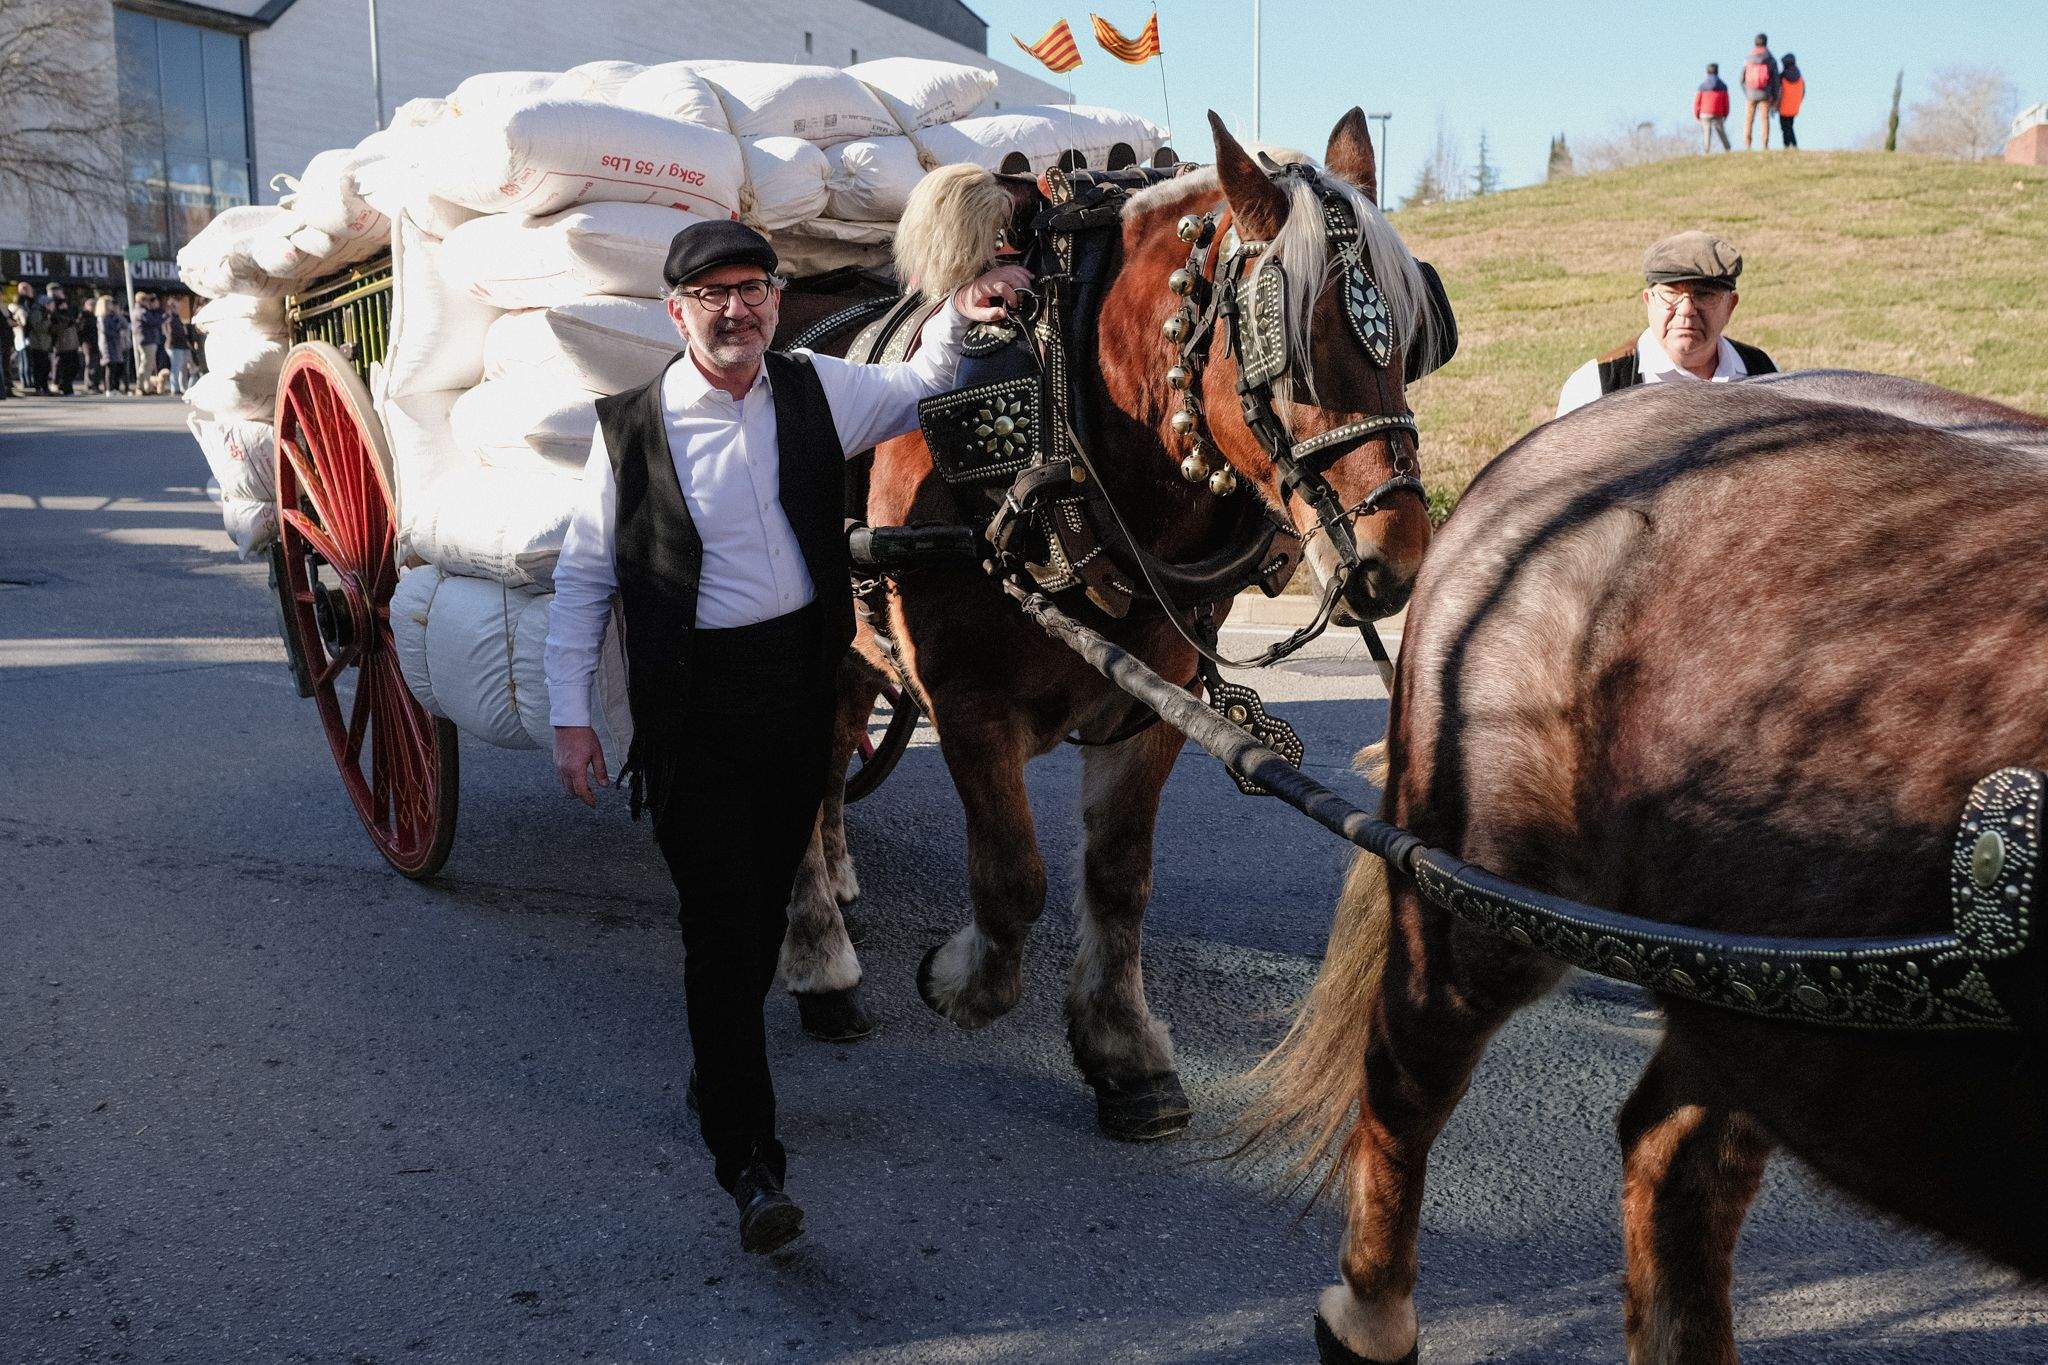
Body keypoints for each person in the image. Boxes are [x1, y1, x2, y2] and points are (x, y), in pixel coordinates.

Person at [543, 219, 1029, 1254]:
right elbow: (585, 576)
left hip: (797, 698)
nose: (736, 309)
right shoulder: (631, 428)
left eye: (753, 289)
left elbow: (917, 386)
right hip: (689, 708)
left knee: (762, 915)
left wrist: (964, 305)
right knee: (719, 928)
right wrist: (572, 718)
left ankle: (714, 1070)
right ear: (676, 315)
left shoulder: (814, 389)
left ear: (773, 300)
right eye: (712, 294)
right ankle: (749, 1163)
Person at [1555, 230, 1779, 418]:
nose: (1686, 310)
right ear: (1648, 300)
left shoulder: (1764, 373)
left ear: (1730, 306)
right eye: (1671, 294)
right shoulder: (1597, 386)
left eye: (1704, 295)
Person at [1741, 33, 1780, 150]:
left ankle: (1747, 144)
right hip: (1765, 93)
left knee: (1749, 119)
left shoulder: (1748, 58)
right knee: (1764, 119)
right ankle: (1765, 144)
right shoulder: (1770, 58)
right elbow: (1775, 80)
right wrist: (1774, 96)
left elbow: (1741, 78)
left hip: (1751, 94)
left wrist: (1746, 91)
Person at [14, 282, 52, 395]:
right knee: (36, 365)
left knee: (43, 365)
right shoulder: (31, 306)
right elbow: (35, 324)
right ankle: (36, 386)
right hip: (34, 340)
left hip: (41, 341)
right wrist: (48, 322)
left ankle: (42, 387)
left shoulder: (37, 305)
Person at [1695, 62, 1732, 153]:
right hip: (1718, 112)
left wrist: (1697, 114)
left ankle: (1706, 150)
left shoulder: (1702, 86)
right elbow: (1726, 102)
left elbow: (1697, 102)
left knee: (1706, 131)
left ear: (1707, 72)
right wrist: (1725, 114)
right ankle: (1727, 148)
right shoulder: (1723, 86)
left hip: (1704, 113)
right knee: (1721, 131)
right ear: (1717, 72)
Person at [96, 297, 131, 395]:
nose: (111, 306)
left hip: (117, 344)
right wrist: (117, 331)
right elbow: (106, 331)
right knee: (110, 367)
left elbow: (125, 325)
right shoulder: (102, 317)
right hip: (107, 344)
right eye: (109, 304)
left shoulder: (114, 315)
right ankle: (109, 389)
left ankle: (115, 388)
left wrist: (118, 315)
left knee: (117, 366)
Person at [50, 301, 81, 396]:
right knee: (62, 367)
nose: (65, 306)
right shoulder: (55, 316)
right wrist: (66, 324)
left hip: (72, 345)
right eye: (62, 304)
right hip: (62, 346)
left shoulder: (69, 315)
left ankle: (66, 386)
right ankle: (63, 386)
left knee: (74, 367)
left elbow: (76, 328)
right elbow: (53, 329)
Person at [135, 292, 168, 382]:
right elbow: (153, 322)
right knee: (146, 364)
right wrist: (163, 318)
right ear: (142, 300)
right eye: (146, 300)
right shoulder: (142, 311)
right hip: (147, 340)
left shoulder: (143, 310)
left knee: (148, 364)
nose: (148, 302)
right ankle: (142, 385)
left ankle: (145, 385)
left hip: (149, 339)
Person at [1777, 54, 1805, 149]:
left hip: (1783, 106)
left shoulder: (1782, 76)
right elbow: (1803, 92)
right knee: (1790, 126)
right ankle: (1791, 146)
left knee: (1785, 128)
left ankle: (1790, 145)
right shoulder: (1800, 77)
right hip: (1794, 106)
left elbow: (1777, 90)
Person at [166, 304, 194, 395]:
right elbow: (169, 332)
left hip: (182, 345)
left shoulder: (177, 318)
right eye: (176, 307)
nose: (178, 309)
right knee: (176, 368)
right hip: (175, 346)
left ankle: (183, 388)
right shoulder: (169, 318)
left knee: (183, 369)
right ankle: (175, 388)